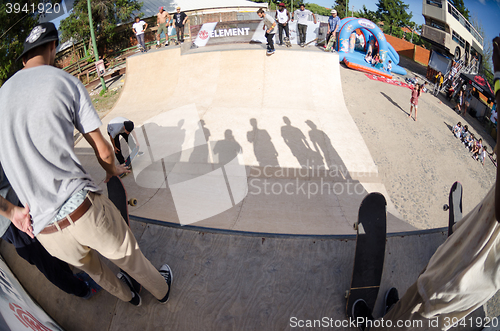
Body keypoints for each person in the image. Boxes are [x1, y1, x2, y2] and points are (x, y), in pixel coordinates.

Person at [0, 22, 172, 308]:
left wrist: (12, 212)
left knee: (96, 270)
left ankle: (130, 298)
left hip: (44, 231)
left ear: (23, 59)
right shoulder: (62, 81)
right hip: (81, 209)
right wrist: (111, 171)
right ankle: (161, 289)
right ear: (54, 47)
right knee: (128, 255)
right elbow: (104, 150)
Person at [352, 35, 500, 331]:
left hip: (479, 255)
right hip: (488, 265)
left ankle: (389, 324)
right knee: (436, 308)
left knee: (430, 297)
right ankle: (397, 316)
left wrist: (498, 77)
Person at [0, 163, 101, 299]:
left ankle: (72, 278)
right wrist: (11, 212)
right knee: (45, 260)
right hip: (12, 219)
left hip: (17, 200)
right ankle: (82, 290)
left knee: (50, 245)